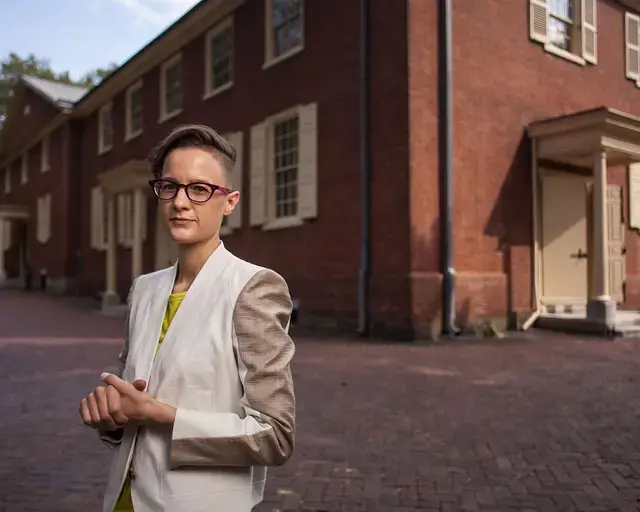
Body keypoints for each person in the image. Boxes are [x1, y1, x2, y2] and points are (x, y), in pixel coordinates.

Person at [79, 124, 296, 512]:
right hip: (122, 501)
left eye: (199, 189)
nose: (181, 202)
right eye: (169, 186)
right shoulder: (144, 289)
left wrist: (160, 414)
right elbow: (133, 401)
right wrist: (112, 415)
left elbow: (274, 436)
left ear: (229, 201)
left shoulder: (253, 288)